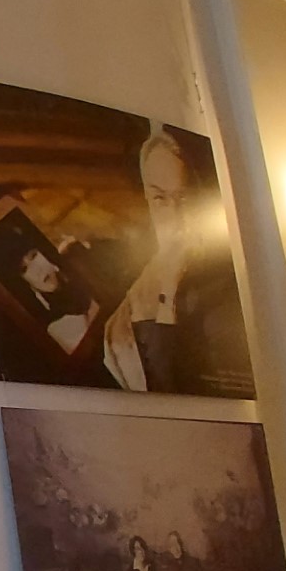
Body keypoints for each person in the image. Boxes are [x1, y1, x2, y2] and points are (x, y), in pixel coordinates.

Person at [104, 127, 197, 390]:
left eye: (183, 197)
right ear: (147, 198)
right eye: (160, 198)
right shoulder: (131, 305)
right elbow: (161, 391)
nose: (174, 216)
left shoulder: (229, 279)